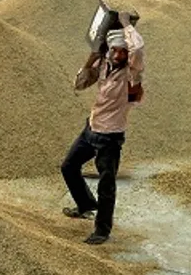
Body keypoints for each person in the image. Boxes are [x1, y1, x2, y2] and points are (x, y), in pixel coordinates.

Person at [61, 24, 145, 246]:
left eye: (123, 51)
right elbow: (78, 85)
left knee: (106, 186)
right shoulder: (104, 65)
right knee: (68, 167)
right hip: (91, 128)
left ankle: (102, 230)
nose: (119, 55)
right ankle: (86, 205)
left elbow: (138, 49)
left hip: (110, 137)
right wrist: (91, 59)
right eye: (115, 50)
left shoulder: (132, 73)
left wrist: (127, 26)